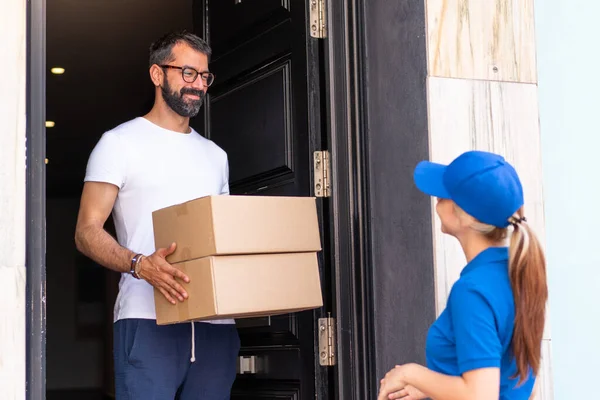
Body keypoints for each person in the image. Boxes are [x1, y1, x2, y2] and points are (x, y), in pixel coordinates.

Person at [75, 31, 240, 399]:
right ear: (156, 74)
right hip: (147, 319)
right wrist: (139, 264)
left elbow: (226, 236)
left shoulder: (216, 155)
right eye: (187, 73)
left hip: (215, 324)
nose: (197, 84)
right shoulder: (119, 143)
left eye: (204, 76)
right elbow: (86, 231)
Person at [378, 150, 548, 400]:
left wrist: (410, 374)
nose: (436, 198)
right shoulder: (519, 274)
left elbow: (481, 395)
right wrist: (429, 387)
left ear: (466, 216)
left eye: (444, 195)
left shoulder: (473, 291)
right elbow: (522, 385)